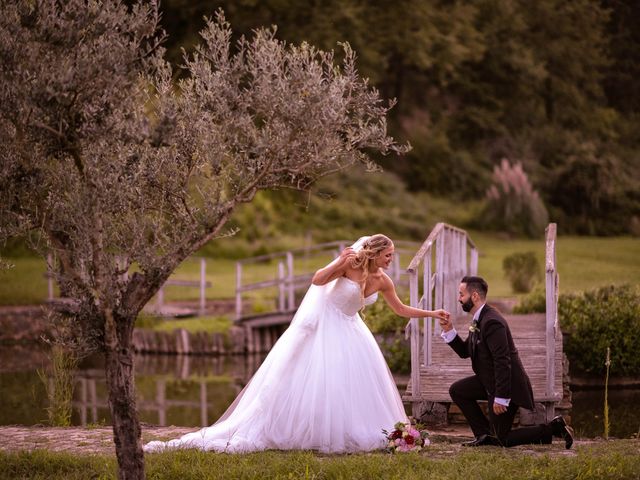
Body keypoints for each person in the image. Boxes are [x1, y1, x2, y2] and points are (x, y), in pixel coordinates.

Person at [144, 234, 449, 453]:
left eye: (392, 256)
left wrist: (431, 313)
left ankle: (345, 430)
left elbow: (399, 309)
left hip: (352, 332)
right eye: (388, 255)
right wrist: (338, 263)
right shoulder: (348, 263)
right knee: (312, 381)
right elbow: (317, 280)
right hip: (323, 328)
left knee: (347, 385)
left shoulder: (383, 281)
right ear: (375, 251)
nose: (391, 260)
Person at [438, 275, 574, 448]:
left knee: (501, 439)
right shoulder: (479, 318)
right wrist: (449, 330)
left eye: (461, 294)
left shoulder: (492, 322)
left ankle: (553, 428)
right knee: (458, 390)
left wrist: (501, 397)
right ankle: (484, 435)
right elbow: (466, 352)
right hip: (490, 381)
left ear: (474, 297)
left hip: (508, 385)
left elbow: (503, 361)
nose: (458, 299)